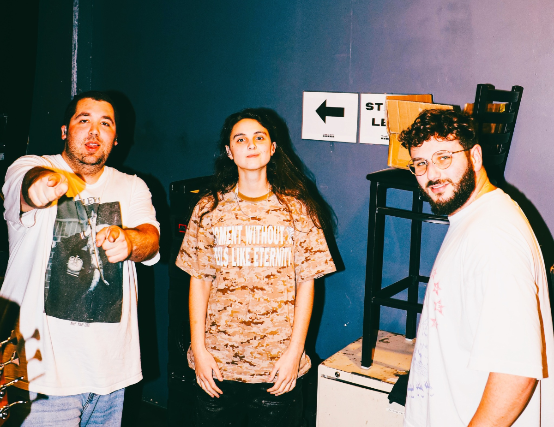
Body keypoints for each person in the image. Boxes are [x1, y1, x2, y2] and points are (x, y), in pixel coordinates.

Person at [0, 91, 160, 426]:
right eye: (83, 120)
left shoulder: (133, 186)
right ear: (64, 130)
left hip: (111, 376)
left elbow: (151, 239)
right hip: (38, 375)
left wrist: (130, 241)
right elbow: (27, 187)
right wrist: (40, 187)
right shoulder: (30, 166)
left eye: (105, 123)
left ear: (116, 138)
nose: (94, 131)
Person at [176, 108, 336, 426]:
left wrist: (295, 353)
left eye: (259, 137)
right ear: (229, 151)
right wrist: (200, 351)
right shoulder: (209, 208)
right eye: (240, 139)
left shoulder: (298, 209)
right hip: (217, 367)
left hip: (276, 369)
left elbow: (307, 283)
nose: (250, 144)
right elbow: (199, 280)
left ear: (272, 147)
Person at [399, 109, 554, 426]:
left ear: (475, 156)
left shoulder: (492, 237)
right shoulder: (474, 219)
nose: (432, 174)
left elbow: (516, 373)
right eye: (421, 163)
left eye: (444, 158)